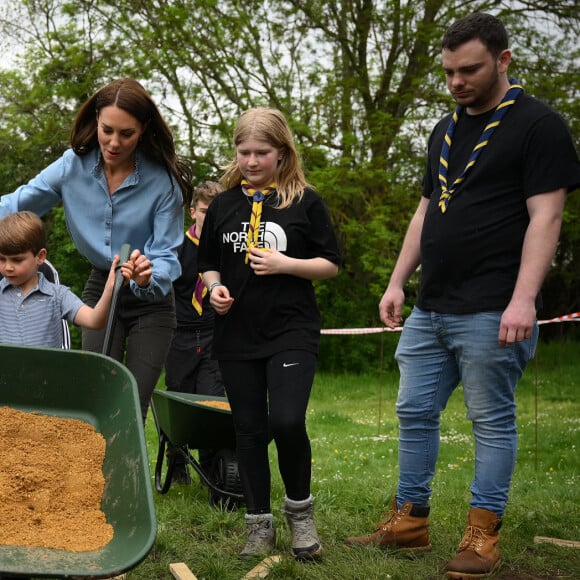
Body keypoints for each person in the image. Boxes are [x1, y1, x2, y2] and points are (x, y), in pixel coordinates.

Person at [344, 12, 580, 579]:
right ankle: (409, 523)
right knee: (414, 411)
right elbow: (427, 209)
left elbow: (546, 216)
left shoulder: (538, 125)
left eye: (468, 70)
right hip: (432, 306)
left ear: (502, 61)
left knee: (491, 421)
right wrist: (398, 280)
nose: (456, 82)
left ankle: (482, 536)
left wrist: (524, 299)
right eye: (449, 72)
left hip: (495, 308)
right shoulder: (444, 130)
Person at [0, 78, 193, 421]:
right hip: (101, 288)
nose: (114, 143)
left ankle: (125, 475)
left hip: (151, 301)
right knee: (93, 399)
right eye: (107, 130)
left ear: (144, 130)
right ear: (95, 122)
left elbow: (165, 256)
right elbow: (16, 204)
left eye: (126, 134)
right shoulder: (71, 165)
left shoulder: (163, 182)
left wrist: (148, 276)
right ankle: (90, 476)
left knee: (131, 401)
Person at [198, 107, 341, 561]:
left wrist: (286, 265)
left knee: (286, 420)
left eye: (262, 153)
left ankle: (300, 515)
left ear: (283, 153)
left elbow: (330, 264)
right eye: (244, 152)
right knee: (249, 429)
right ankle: (258, 525)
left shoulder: (305, 202)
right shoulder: (222, 204)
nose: (252, 161)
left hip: (291, 330)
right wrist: (215, 287)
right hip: (236, 333)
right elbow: (207, 262)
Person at [164, 180, 226, 484]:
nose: (210, 217)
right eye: (205, 211)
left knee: (212, 403)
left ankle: (213, 472)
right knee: (179, 406)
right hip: (180, 336)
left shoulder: (226, 249)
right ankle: (177, 470)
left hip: (214, 336)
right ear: (193, 212)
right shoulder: (176, 247)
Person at [0, 211, 131, 347]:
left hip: (45, 369)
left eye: (17, 260)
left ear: (40, 256)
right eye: (2, 259)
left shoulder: (58, 296)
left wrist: (110, 288)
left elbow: (95, 321)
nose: (8, 267)